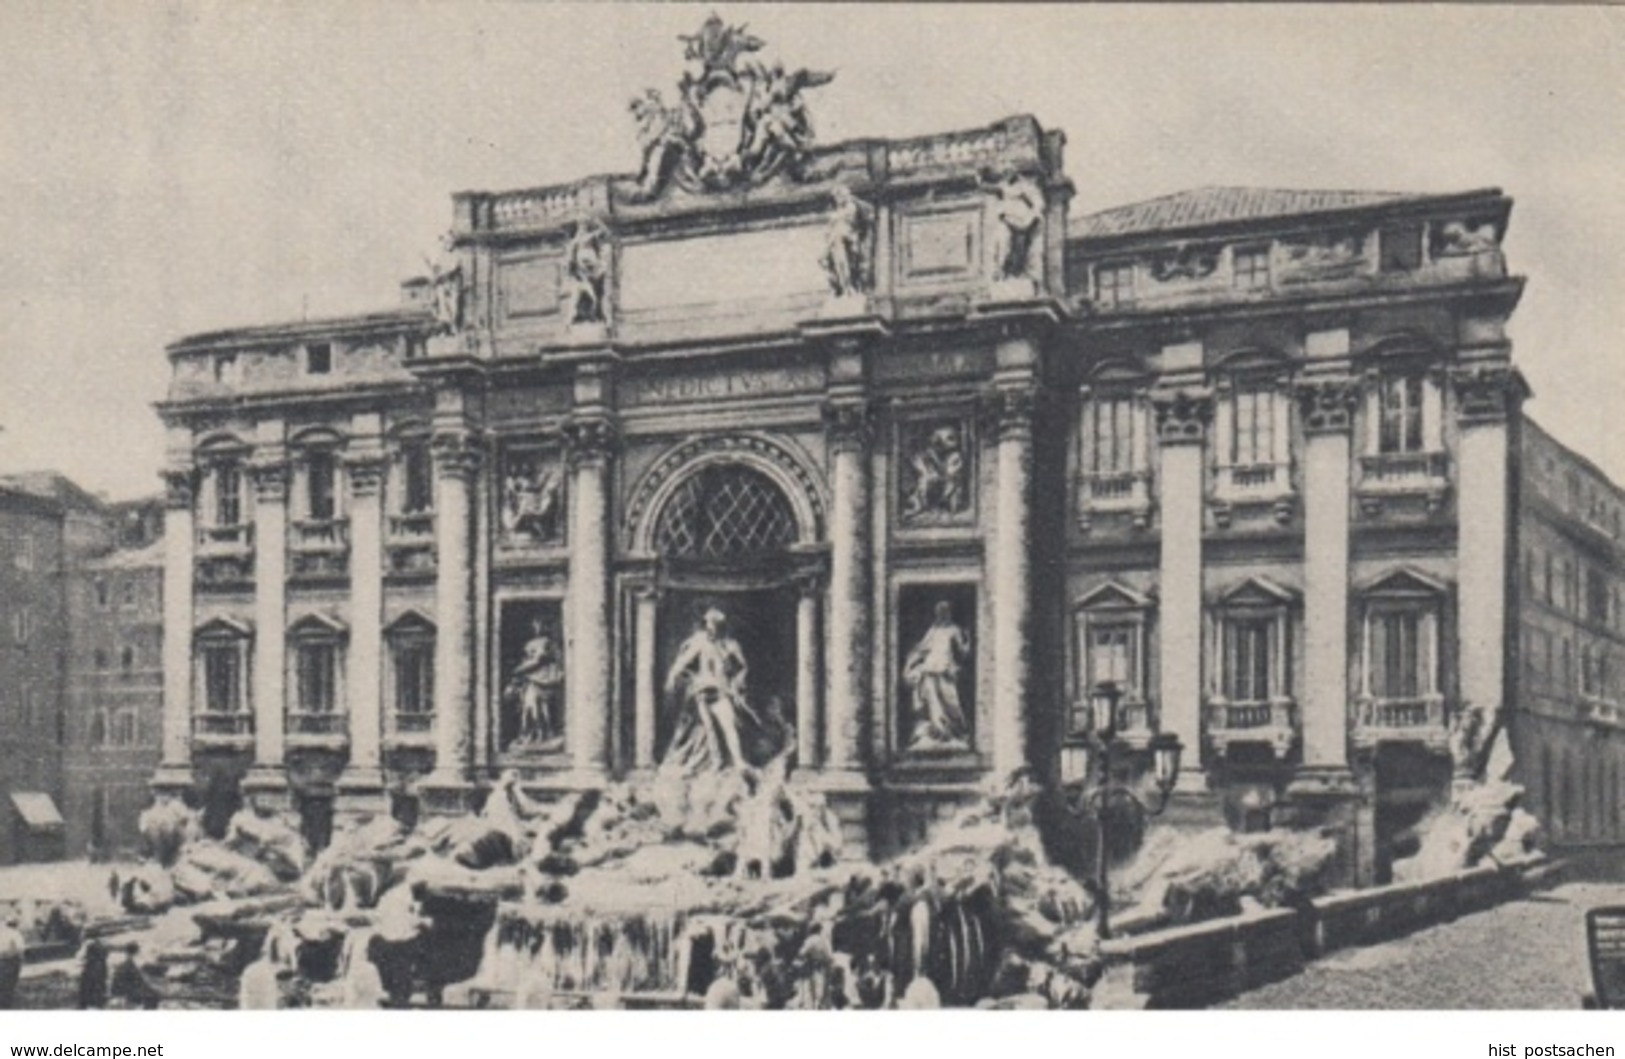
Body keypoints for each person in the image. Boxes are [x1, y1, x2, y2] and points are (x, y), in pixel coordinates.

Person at [663, 607, 753, 772]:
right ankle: (716, 761)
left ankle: (738, 760)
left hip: (721, 689)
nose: (712, 628)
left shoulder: (730, 645)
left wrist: (737, 682)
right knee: (710, 728)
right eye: (710, 624)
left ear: (721, 626)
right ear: (706, 625)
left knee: (729, 724)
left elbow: (743, 667)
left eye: (716, 625)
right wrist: (672, 677)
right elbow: (682, 662)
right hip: (703, 690)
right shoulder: (700, 642)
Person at [903, 601, 973, 749]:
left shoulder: (954, 629)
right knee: (933, 700)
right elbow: (923, 647)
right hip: (930, 666)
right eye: (939, 612)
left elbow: (962, 651)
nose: (942, 614)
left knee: (950, 698)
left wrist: (968, 640)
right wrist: (911, 661)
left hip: (946, 667)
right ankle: (938, 730)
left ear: (949, 613)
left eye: (944, 611)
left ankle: (953, 730)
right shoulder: (933, 630)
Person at [505, 621, 564, 748]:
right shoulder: (530, 643)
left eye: (540, 625)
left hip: (543, 678)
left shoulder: (547, 642)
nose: (537, 628)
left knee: (542, 709)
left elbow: (538, 660)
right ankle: (530, 735)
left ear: (546, 627)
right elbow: (529, 659)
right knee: (528, 708)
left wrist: (519, 669)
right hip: (531, 679)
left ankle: (545, 735)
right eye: (535, 625)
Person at [109, 944, 161, 1010]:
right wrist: (150, 988)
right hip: (126, 991)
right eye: (138, 952)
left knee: (152, 994)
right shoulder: (130, 964)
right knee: (153, 996)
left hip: (122, 989)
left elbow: (137, 979)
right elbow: (138, 980)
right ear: (136, 953)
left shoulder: (127, 963)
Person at [77, 938, 110, 1010]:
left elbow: (79, 957)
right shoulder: (102, 963)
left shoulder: (90, 967)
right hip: (98, 997)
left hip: (91, 998)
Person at [0, 913, 24, 1010]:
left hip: (3, 959)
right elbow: (20, 950)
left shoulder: (2, 932)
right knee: (9, 983)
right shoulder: (15, 933)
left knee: (3, 982)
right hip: (10, 960)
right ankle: (5, 1004)